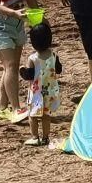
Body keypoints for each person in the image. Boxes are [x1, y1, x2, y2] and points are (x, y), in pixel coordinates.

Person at [19, 18, 64, 148]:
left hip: (36, 92)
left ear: (32, 42)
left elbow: (29, 76)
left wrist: (22, 70)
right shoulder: (53, 55)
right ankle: (45, 137)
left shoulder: (32, 58)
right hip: (50, 91)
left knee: (32, 115)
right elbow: (59, 69)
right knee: (46, 115)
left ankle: (35, 137)